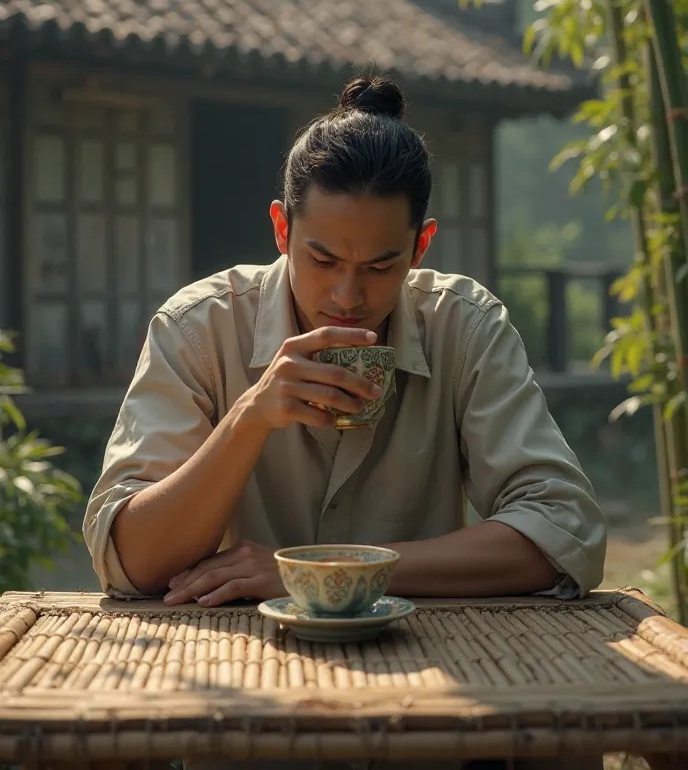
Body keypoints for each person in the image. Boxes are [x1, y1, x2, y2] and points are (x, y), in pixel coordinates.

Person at [84, 76, 606, 770]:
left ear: (421, 247)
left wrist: (315, 576)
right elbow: (133, 560)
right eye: (321, 259)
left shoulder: (463, 324)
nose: (347, 296)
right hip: (243, 720)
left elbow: (563, 530)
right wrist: (249, 415)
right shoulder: (200, 326)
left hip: (435, 713)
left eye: (382, 266)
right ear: (280, 229)